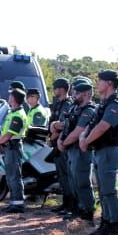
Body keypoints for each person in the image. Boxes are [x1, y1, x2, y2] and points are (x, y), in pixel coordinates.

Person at [80, 69, 118, 235]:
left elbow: (103, 126)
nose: (97, 83)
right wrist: (83, 137)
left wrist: (86, 141)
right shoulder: (104, 103)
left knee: (109, 191)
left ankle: (116, 230)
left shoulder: (116, 104)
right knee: (102, 192)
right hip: (101, 151)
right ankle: (106, 224)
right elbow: (92, 123)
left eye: (100, 80)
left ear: (109, 83)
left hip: (110, 151)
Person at [58, 78, 97, 226]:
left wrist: (64, 142)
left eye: (78, 93)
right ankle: (77, 209)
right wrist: (60, 140)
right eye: (74, 92)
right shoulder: (75, 108)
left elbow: (78, 131)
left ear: (87, 94)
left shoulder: (89, 110)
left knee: (82, 182)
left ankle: (87, 212)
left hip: (81, 150)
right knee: (73, 181)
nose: (74, 95)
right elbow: (67, 126)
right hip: (70, 150)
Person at [47, 78, 78, 216]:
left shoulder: (68, 104)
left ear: (62, 89)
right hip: (56, 144)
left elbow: (63, 124)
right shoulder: (58, 104)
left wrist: (53, 133)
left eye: (56, 87)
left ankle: (71, 205)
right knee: (62, 176)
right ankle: (66, 203)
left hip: (63, 143)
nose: (54, 90)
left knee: (67, 176)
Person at [0, 87, 30, 213]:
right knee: (10, 176)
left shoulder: (18, 115)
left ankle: (18, 204)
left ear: (15, 99)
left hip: (13, 146)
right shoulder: (12, 112)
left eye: (11, 96)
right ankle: (13, 202)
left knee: (14, 176)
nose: (9, 97)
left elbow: (9, 134)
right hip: (9, 147)